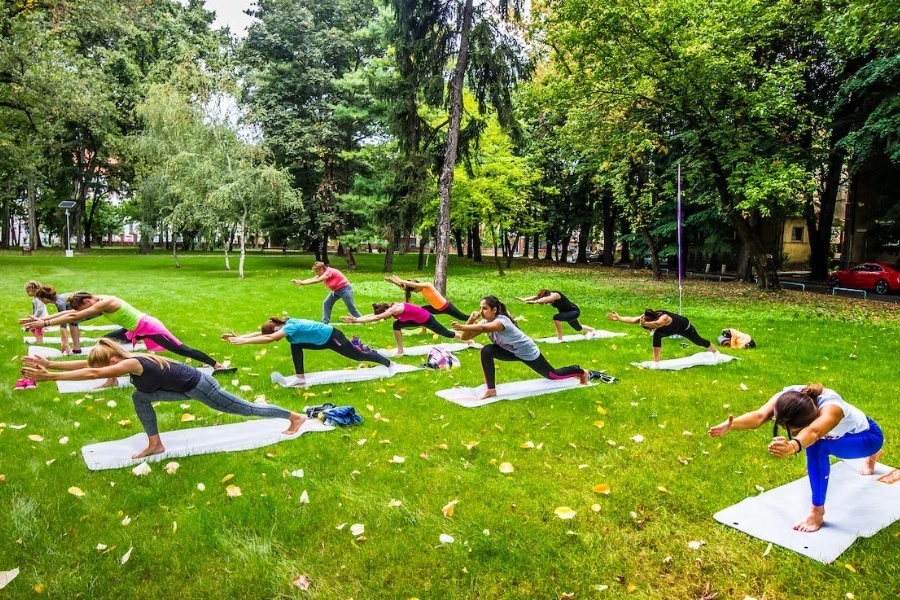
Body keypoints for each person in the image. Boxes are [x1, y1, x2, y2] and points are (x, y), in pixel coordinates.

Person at [21, 339, 305, 460]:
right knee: (140, 396)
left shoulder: (128, 364)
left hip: (200, 386)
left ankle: (293, 417)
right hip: (183, 388)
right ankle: (155, 444)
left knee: (245, 409)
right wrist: (53, 365)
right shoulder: (127, 358)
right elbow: (89, 366)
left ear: (113, 359)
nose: (102, 370)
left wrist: (51, 378)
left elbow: (88, 373)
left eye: (105, 365)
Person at [709, 384, 884, 533]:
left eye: (795, 430)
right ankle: (872, 458)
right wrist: (731, 425)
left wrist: (793, 446)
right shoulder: (789, 398)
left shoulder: (832, 409)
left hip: (868, 438)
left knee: (817, 445)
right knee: (817, 442)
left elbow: (814, 432)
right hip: (845, 434)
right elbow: (760, 416)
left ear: (811, 419)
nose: (792, 432)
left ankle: (817, 512)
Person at [19, 292, 232, 386]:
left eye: (83, 306)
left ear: (87, 300)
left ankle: (216, 364)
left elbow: (74, 316)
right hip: (134, 329)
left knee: (182, 350)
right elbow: (69, 314)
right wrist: (46, 319)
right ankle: (111, 377)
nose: (87, 310)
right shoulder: (96, 299)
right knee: (104, 344)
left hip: (150, 327)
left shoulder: (105, 302)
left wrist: (44, 324)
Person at [452, 295, 605, 400]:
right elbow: (466, 338)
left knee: (553, 375)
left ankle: (580, 371)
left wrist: (463, 326)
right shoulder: (484, 323)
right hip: (510, 352)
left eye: (484, 308)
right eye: (480, 308)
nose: (481, 312)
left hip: (528, 353)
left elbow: (483, 330)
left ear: (494, 310)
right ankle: (491, 389)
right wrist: (471, 320)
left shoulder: (502, 321)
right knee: (487, 351)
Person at [222, 317, 394, 387]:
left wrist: (244, 342)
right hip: (320, 341)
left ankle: (389, 363)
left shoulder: (291, 326)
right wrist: (240, 336)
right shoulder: (282, 326)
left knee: (357, 355)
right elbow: (263, 334)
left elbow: (270, 338)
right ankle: (300, 377)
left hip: (332, 337)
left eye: (275, 332)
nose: (276, 335)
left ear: (276, 328)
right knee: (295, 345)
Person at [341, 302, 465, 357]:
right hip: (416, 319)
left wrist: (357, 321)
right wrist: (357, 319)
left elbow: (377, 317)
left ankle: (466, 338)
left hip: (426, 319)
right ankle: (400, 350)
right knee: (397, 325)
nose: (386, 318)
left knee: (446, 333)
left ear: (386, 311)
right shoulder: (389, 308)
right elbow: (373, 315)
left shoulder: (393, 310)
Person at [606, 309, 719, 363]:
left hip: (684, 328)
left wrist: (646, 324)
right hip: (668, 330)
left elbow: (657, 324)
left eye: (649, 328)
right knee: (657, 336)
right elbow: (632, 319)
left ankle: (715, 352)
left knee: (698, 341)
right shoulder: (645, 317)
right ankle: (656, 362)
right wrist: (619, 318)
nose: (650, 329)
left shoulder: (664, 317)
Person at [34, 284, 98, 354]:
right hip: (86, 308)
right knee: (73, 321)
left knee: (73, 322)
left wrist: (65, 343)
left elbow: (63, 325)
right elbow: (62, 316)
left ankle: (77, 348)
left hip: (93, 307)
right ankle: (77, 349)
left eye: (40, 299)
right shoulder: (59, 298)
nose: (41, 301)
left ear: (45, 298)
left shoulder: (60, 303)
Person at [291, 262, 362, 324]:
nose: (317, 273)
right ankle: (325, 322)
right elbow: (314, 278)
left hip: (344, 289)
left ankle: (361, 320)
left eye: (317, 271)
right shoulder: (323, 272)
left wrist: (303, 283)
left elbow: (317, 280)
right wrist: (301, 282)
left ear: (322, 269)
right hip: (336, 290)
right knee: (326, 303)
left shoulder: (329, 272)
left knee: (350, 306)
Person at [516, 289, 596, 340]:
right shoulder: (547, 296)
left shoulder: (555, 295)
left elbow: (546, 299)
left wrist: (535, 302)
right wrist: (524, 299)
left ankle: (559, 338)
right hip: (566, 313)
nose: (547, 303)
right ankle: (592, 330)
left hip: (574, 312)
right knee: (577, 328)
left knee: (556, 318)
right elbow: (536, 297)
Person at [384, 275, 469, 320]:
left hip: (446, 307)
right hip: (436, 308)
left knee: (462, 317)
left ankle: (475, 319)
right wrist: (394, 282)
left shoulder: (427, 285)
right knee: (422, 312)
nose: (416, 292)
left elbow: (415, 285)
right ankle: (424, 329)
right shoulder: (421, 290)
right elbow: (407, 287)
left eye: (415, 291)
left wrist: (400, 280)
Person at [24, 281, 48, 345]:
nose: (27, 293)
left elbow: (40, 309)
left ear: (34, 290)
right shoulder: (34, 298)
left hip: (42, 317)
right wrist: (33, 316)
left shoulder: (38, 298)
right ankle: (37, 339)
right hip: (37, 316)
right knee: (32, 328)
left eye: (28, 291)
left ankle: (40, 341)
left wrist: (34, 317)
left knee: (38, 329)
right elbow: (35, 309)